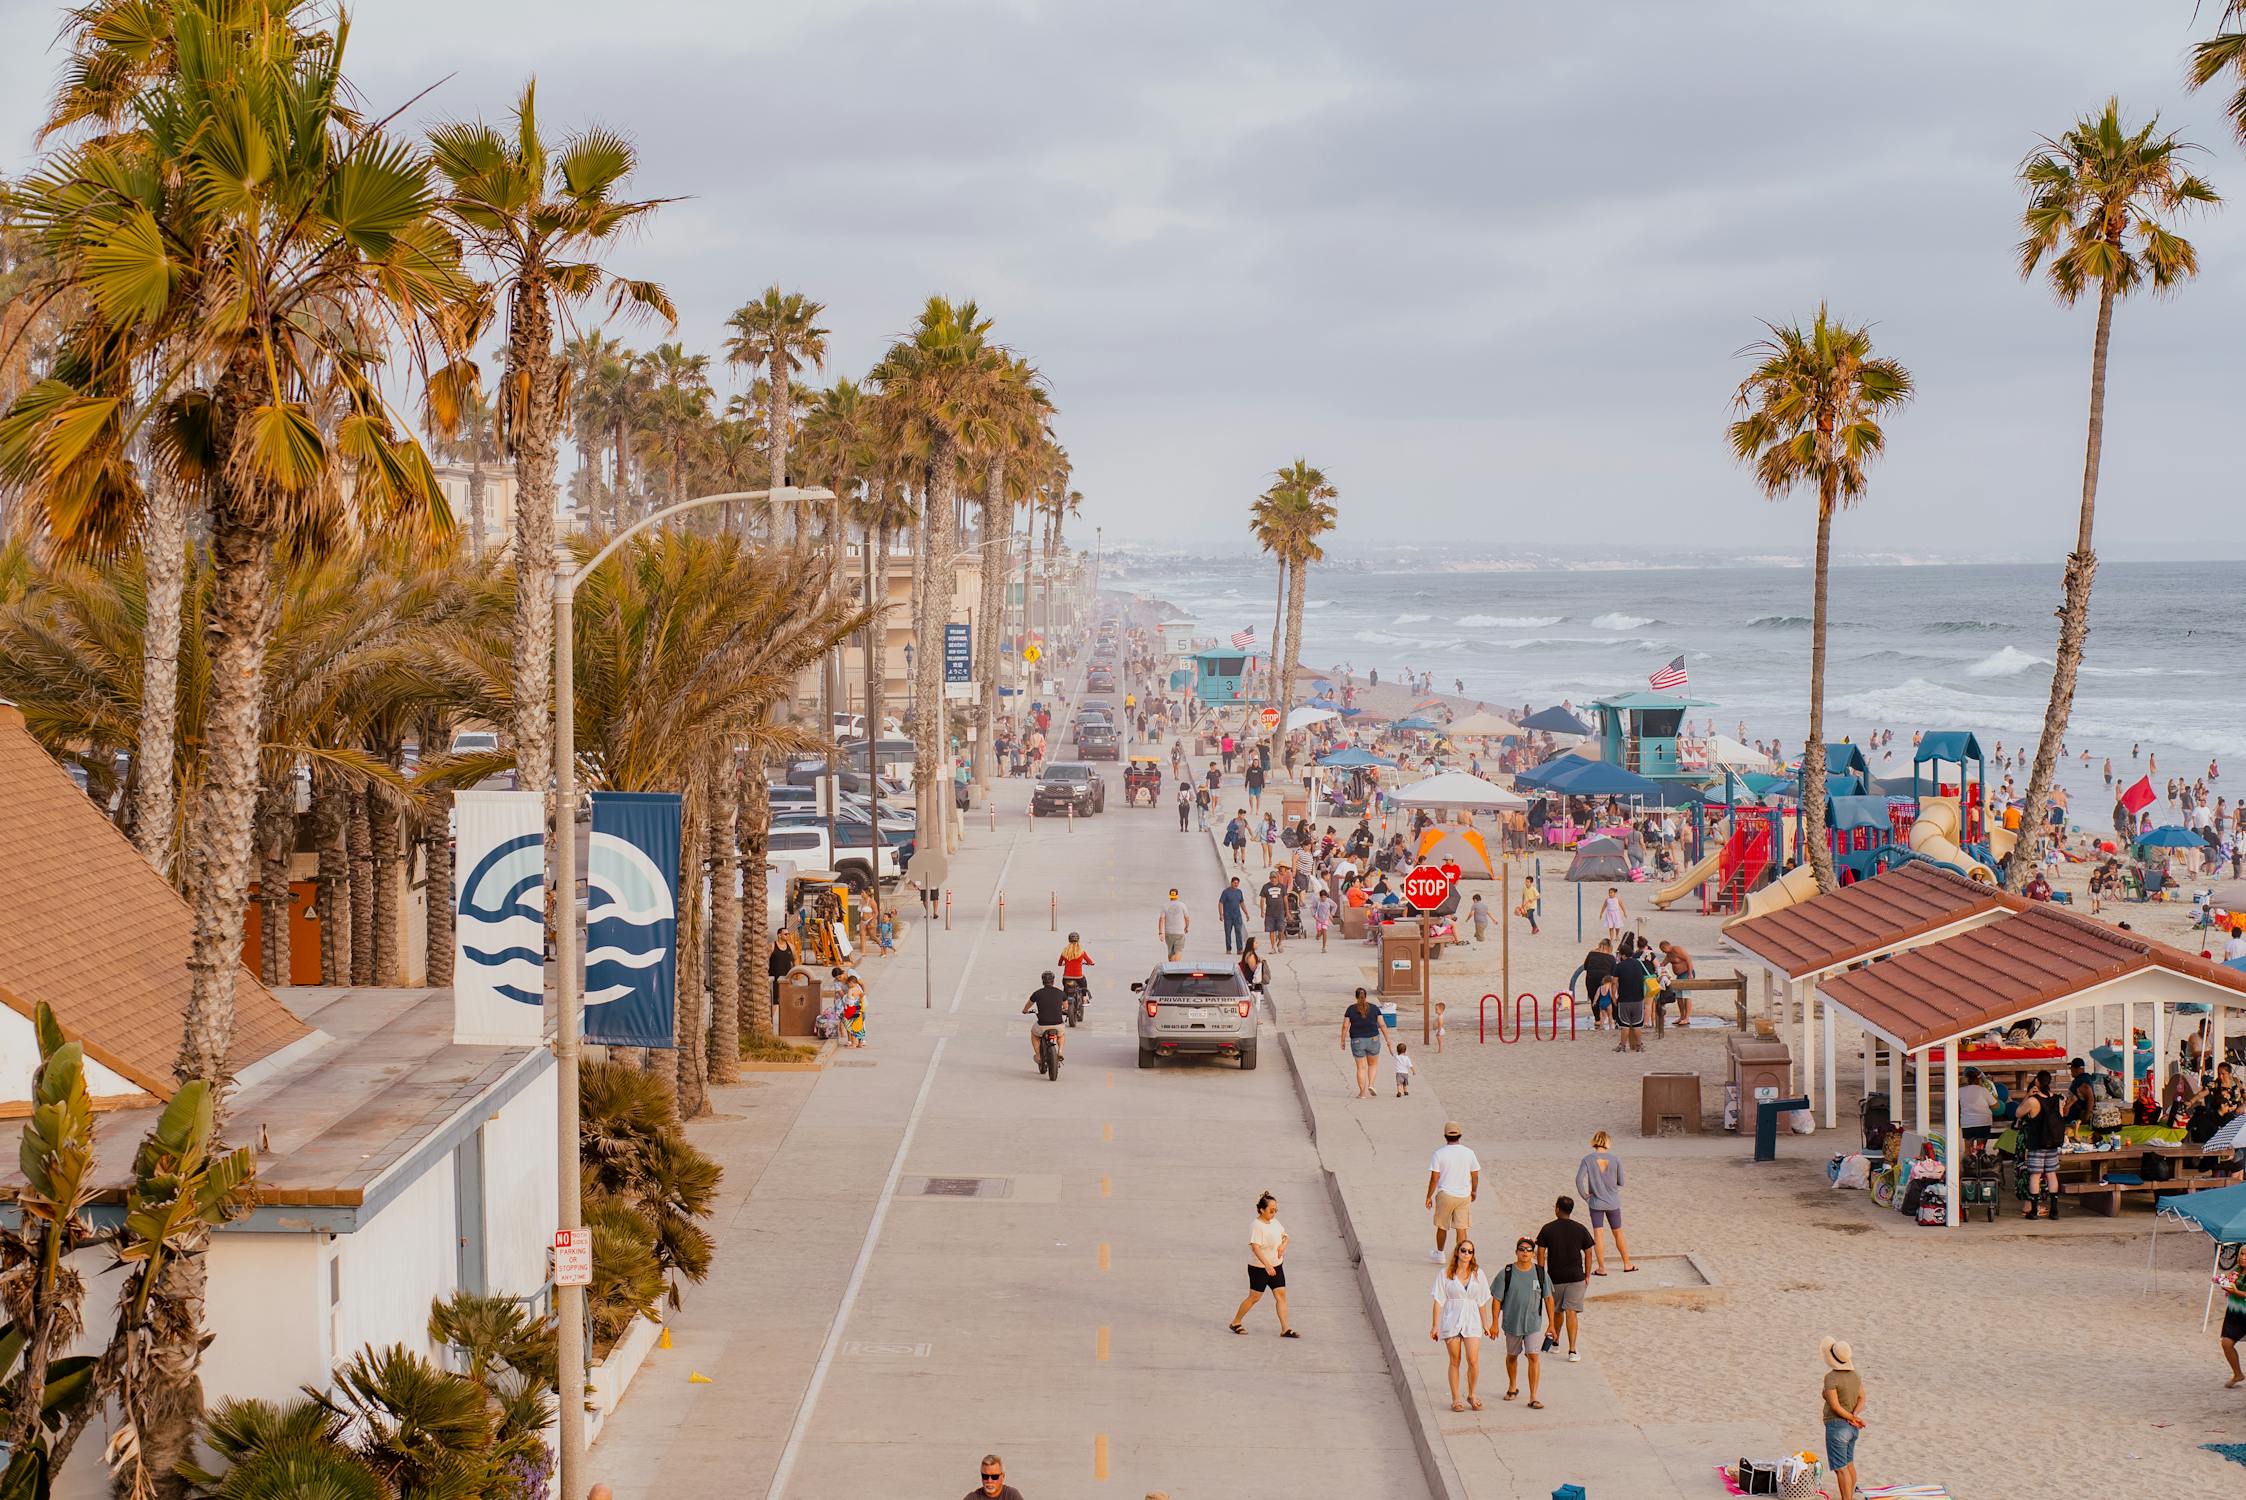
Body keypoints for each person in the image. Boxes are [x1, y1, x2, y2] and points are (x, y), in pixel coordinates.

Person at [1428, 1237, 1492, 1412]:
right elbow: (1438, 1300)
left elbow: (1481, 1302)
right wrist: (1435, 1325)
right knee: (1455, 1361)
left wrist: (1486, 1324)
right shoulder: (1445, 1274)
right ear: (1457, 1252)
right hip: (1451, 1320)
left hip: (1472, 1321)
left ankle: (1472, 1394)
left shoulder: (1479, 1274)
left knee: (1473, 1360)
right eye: (1463, 1250)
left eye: (1470, 1251)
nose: (1466, 1254)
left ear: (1473, 1255)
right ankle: (1456, 1398)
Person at [1534, 1195, 1597, 1361]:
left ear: (1556, 1209)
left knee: (1557, 1311)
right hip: (1576, 1277)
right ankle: (1573, 1350)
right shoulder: (1580, 1228)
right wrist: (1588, 1274)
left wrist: (1541, 1274)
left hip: (1554, 1277)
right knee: (1571, 1312)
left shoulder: (1548, 1228)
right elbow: (1589, 1251)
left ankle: (1555, 1342)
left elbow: (1540, 1251)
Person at [1493, 1237, 1552, 1408]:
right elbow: (1497, 1299)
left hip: (1533, 1323)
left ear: (1533, 1253)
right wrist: (1494, 1324)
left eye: (1528, 1250)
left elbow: (1548, 1298)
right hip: (1512, 1323)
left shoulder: (1540, 1273)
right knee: (1512, 1357)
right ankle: (1512, 1386)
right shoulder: (1506, 1273)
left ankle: (1533, 1397)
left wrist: (1552, 1325)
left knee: (1533, 1356)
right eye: (1522, 1249)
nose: (1525, 1252)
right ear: (1516, 1252)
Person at [1230, 1191, 1298, 1337]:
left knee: (1281, 1295)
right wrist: (1267, 1265)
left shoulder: (1275, 1222)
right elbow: (1256, 1248)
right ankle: (1236, 1322)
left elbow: (1286, 1237)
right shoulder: (1256, 1226)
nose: (1273, 1213)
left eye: (1275, 1210)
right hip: (1259, 1268)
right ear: (1261, 1209)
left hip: (1277, 1266)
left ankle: (1285, 1328)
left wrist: (1283, 1246)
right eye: (1271, 1210)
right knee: (1254, 1297)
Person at [1575, 1131, 1635, 1273]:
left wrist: (1585, 1196)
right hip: (1613, 1202)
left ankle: (1602, 1268)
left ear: (1594, 1141)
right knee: (1618, 1232)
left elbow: (1578, 1180)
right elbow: (1621, 1182)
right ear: (1607, 1142)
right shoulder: (1615, 1159)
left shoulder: (1587, 1159)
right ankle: (1627, 1264)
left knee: (1598, 1234)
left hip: (1596, 1203)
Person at [1425, 1120, 1480, 1262]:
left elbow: (1434, 1178)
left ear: (1445, 1136)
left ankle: (1440, 1253)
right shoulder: (1469, 1152)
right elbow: (1475, 1175)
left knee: (1442, 1226)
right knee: (1461, 1227)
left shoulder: (1439, 1153)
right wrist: (1474, 1191)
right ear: (1460, 1135)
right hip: (1464, 1195)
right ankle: (1463, 1256)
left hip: (1446, 1194)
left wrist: (1429, 1196)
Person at [1819, 1338, 1866, 1500]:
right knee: (1849, 1464)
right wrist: (1854, 1417)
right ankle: (1850, 1496)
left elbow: (1835, 1407)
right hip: (1851, 1427)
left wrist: (1852, 1417)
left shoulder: (1831, 1378)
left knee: (1841, 1468)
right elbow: (1862, 1398)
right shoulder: (1855, 1375)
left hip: (1837, 1426)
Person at [2016, 1072, 2063, 1219]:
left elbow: (2018, 1113)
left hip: (2037, 1143)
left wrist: (2028, 1096)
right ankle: (2054, 1210)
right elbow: (2061, 1117)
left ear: (2037, 1081)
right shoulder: (2058, 1099)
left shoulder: (2033, 1101)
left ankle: (2033, 1211)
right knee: (2051, 1174)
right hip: (2053, 1143)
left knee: (2035, 1176)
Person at [1342, 987, 1387, 1098]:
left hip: (1357, 1040)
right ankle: (1371, 1084)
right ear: (1366, 996)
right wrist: (1388, 1039)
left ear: (1356, 997)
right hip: (1373, 1039)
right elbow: (1382, 1024)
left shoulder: (1351, 1009)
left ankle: (1362, 1093)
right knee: (1373, 1064)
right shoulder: (1374, 1008)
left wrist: (1342, 1040)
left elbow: (1345, 1026)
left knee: (1361, 1068)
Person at [1610, 936, 1650, 1054]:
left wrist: (1613, 996)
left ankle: (1622, 1046)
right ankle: (1639, 1045)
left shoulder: (1619, 966)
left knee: (1624, 1025)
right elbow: (1643, 978)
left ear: (1622, 955)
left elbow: (1614, 983)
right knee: (1637, 1024)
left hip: (1624, 999)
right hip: (1638, 998)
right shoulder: (1638, 964)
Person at [1023, 970, 1068, 1067]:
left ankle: (1039, 1056)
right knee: (1061, 1034)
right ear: (1053, 981)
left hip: (1042, 1025)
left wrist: (1025, 1010)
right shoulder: (1060, 993)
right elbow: (1066, 1007)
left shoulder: (1037, 993)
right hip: (1058, 1024)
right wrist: (1063, 1009)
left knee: (1034, 1034)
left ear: (1042, 981)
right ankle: (1060, 1051)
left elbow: (1028, 1005)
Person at [2221, 1258, 2246, 1389]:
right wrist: (2223, 1283)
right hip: (2235, 1313)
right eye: (2242, 1253)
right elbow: (2229, 1283)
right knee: (2226, 1343)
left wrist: (2236, 1292)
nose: (2243, 1257)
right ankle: (2238, 1374)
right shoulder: (2237, 1270)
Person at [1957, 1066, 1996, 1147]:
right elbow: (1996, 1106)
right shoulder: (1983, 1090)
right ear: (1979, 1079)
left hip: (1967, 1122)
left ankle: (1968, 1158)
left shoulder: (1960, 1091)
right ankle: (1979, 1159)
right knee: (1980, 1150)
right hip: (1983, 1122)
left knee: (1968, 1150)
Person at [1581, 938, 1615, 1030]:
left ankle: (1598, 1019)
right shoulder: (1611, 957)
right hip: (1604, 979)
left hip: (1591, 978)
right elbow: (1613, 973)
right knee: (1606, 998)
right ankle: (1610, 1018)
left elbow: (1585, 966)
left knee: (1594, 998)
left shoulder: (1591, 953)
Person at [1157, 887, 1191, 959]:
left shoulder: (1165, 905)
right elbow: (1187, 918)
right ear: (1177, 895)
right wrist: (1187, 927)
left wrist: (1161, 933)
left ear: (1170, 895)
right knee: (1178, 951)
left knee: (1170, 952)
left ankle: (1171, 966)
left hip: (1168, 933)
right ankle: (1176, 967)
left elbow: (1161, 920)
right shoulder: (1182, 905)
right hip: (1179, 933)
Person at [1218, 876, 1249, 954]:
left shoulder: (1239, 892)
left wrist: (1246, 913)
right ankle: (1228, 949)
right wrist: (1221, 914)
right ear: (1231, 883)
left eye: (1237, 883)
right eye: (1234, 883)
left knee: (1238, 932)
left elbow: (1242, 903)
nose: (1236, 884)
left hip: (1237, 916)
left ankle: (1240, 949)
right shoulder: (1226, 892)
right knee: (1228, 933)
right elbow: (1220, 903)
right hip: (1228, 916)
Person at [1260, 872, 1289, 952]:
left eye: (1275, 877)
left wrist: (1287, 912)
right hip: (1270, 912)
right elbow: (1262, 899)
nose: (1273, 879)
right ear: (1269, 878)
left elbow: (1285, 900)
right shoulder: (1265, 887)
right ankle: (1273, 947)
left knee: (1281, 929)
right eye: (1272, 877)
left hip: (1280, 912)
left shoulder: (1282, 887)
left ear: (1277, 878)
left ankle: (1279, 942)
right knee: (1271, 930)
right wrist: (1262, 911)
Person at [1238, 938, 1268, 1003]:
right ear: (1251, 944)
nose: (1258, 944)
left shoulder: (1250, 953)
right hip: (1250, 979)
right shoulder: (1251, 955)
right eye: (1256, 943)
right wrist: (1259, 963)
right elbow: (1253, 969)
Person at [1310, 888, 1336, 953]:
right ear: (1320, 896)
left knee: (1324, 932)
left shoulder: (1328, 900)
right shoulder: (1317, 901)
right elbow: (1313, 907)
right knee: (1319, 932)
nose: (1323, 899)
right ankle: (1318, 935)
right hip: (1319, 919)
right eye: (1322, 897)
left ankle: (1323, 947)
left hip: (1326, 919)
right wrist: (1313, 915)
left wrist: (1331, 914)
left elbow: (1335, 905)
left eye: (1325, 897)